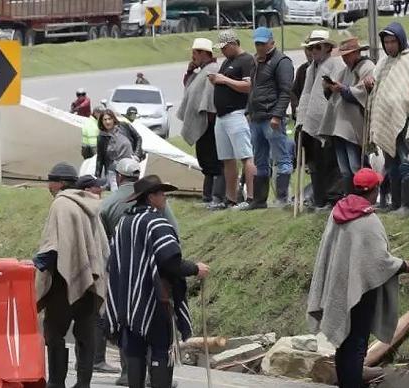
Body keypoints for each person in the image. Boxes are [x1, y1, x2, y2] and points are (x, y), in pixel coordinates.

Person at [307, 168, 409, 388]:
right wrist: (402, 265)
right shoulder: (368, 220)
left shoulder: (338, 210)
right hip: (361, 292)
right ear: (375, 190)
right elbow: (380, 261)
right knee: (357, 344)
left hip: (339, 286)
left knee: (343, 343)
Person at [106, 175, 210, 388]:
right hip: (154, 300)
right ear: (151, 197)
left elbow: (114, 262)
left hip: (126, 302)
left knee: (134, 350)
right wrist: (195, 268)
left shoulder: (124, 223)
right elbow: (171, 262)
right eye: (162, 193)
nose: (164, 198)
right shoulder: (156, 223)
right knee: (162, 350)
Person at [34, 162, 109, 388]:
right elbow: (102, 246)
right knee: (85, 333)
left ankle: (57, 382)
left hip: (62, 282)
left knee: (54, 333)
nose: (48, 185)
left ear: (58, 183)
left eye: (50, 180)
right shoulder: (89, 203)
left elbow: (53, 246)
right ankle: (83, 384)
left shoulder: (61, 204)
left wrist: (34, 266)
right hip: (89, 279)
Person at [365, 22, 409, 212]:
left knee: (407, 162)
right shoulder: (383, 62)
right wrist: (369, 84)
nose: (390, 45)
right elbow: (377, 89)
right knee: (392, 166)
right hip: (388, 123)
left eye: (393, 41)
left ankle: (408, 206)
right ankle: (396, 203)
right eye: (386, 42)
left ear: (401, 41)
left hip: (405, 120)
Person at [245, 27, 295, 210]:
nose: (259, 47)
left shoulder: (282, 61)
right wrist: (248, 111)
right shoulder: (256, 61)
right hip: (257, 117)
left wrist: (277, 115)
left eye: (262, 43)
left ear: (271, 42)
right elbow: (253, 89)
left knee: (282, 158)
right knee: (260, 160)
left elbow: (285, 91)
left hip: (272, 117)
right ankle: (260, 200)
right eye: (257, 43)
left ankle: (282, 198)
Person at [297, 30, 346, 210]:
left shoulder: (335, 65)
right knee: (315, 163)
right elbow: (306, 95)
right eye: (311, 47)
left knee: (330, 164)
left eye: (317, 47)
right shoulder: (310, 69)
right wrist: (301, 119)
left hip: (330, 123)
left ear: (327, 47)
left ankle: (332, 199)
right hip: (311, 123)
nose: (313, 51)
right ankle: (319, 199)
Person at [209, 29, 256, 210]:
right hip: (222, 115)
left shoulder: (246, 60)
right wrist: (217, 81)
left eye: (225, 48)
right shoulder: (227, 61)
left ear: (234, 44)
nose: (223, 51)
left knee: (245, 155)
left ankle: (251, 196)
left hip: (236, 113)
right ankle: (231, 198)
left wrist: (224, 80)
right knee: (227, 158)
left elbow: (248, 86)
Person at [320, 37, 375, 194]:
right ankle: (349, 197)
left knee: (356, 166)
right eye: (343, 55)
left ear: (357, 52)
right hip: (340, 124)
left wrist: (343, 89)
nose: (345, 58)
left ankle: (364, 197)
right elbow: (335, 92)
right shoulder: (345, 70)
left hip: (354, 124)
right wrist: (330, 87)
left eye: (348, 54)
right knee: (345, 169)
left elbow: (362, 93)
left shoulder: (367, 67)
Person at [177, 38, 224, 206]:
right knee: (205, 160)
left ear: (205, 53)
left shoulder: (212, 70)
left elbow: (209, 98)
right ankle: (208, 195)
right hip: (205, 125)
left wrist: (208, 122)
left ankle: (213, 196)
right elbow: (190, 88)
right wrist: (190, 72)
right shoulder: (202, 71)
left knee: (212, 160)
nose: (193, 56)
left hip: (209, 124)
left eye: (195, 53)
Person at [96, 110, 142, 191]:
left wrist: (137, 155)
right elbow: (100, 158)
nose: (107, 122)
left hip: (129, 165)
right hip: (113, 168)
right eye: (105, 120)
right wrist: (97, 178)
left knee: (131, 190)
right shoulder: (102, 137)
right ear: (101, 122)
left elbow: (138, 138)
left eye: (109, 119)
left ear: (113, 119)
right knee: (116, 192)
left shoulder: (124, 126)